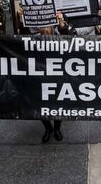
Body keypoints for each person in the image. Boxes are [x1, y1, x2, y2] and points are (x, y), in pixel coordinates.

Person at [40, 12, 77, 143]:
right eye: (42, 26)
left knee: (58, 103)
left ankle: (56, 128)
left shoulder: (61, 35)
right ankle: (47, 128)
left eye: (47, 26)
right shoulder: (32, 40)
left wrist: (61, 22)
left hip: (58, 77)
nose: (45, 29)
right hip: (40, 77)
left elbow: (72, 38)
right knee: (39, 104)